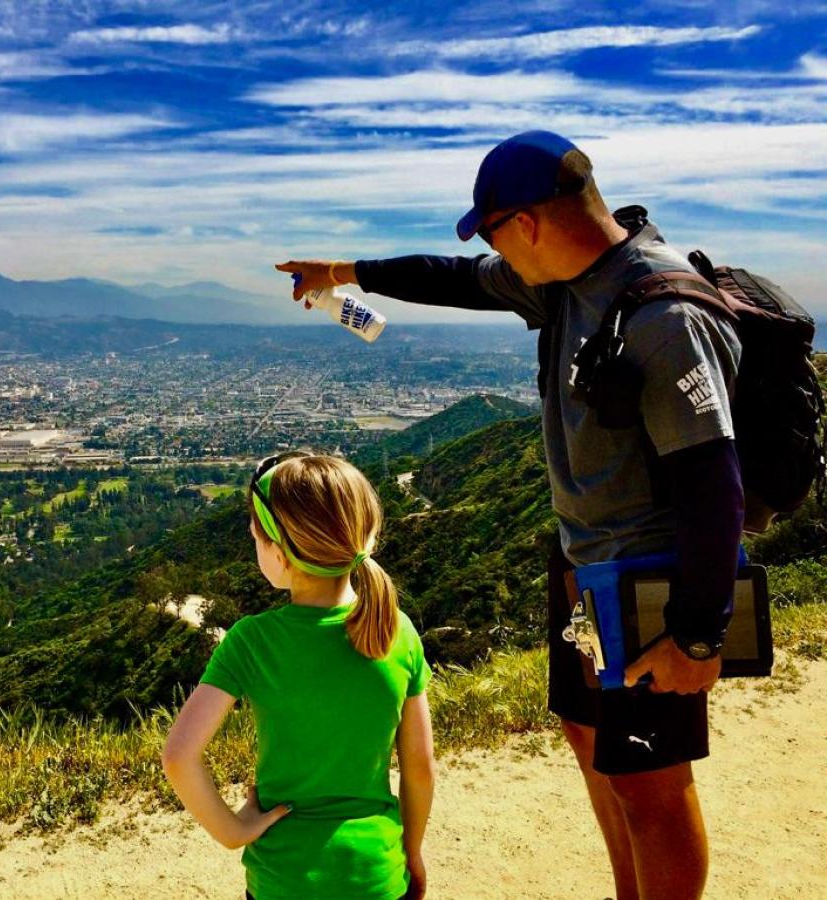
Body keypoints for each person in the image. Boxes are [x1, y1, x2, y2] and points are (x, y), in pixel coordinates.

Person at [276, 130, 744, 900]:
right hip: (585, 569)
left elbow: (713, 482)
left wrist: (698, 632)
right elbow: (453, 277)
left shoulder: (663, 314)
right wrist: (343, 273)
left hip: (649, 584)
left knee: (652, 785)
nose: (492, 254)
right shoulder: (562, 282)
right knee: (591, 740)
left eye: (492, 234)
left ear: (524, 224)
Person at [162, 452, 436, 900]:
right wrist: (414, 852)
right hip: (377, 877)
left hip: (282, 880)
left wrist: (233, 831)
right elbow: (420, 766)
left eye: (256, 536)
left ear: (279, 552)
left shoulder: (252, 641)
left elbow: (178, 757)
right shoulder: (397, 631)